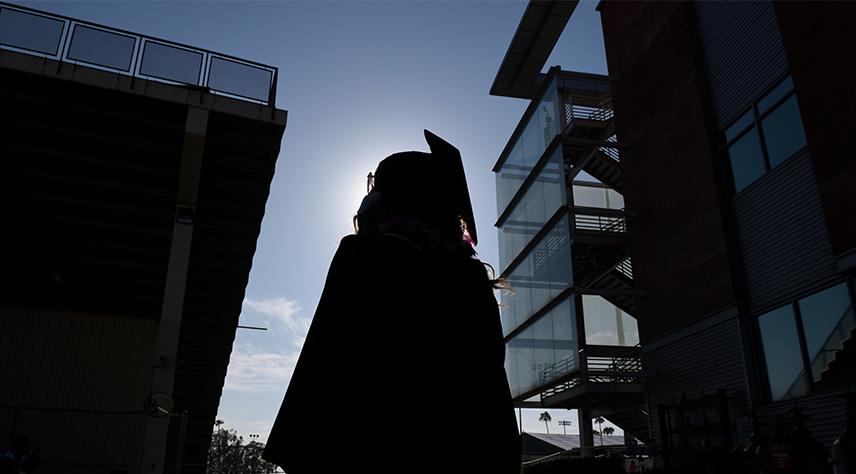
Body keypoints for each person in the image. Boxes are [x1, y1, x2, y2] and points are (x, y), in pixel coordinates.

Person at [262, 130, 521, 473]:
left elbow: (324, 359)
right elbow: (488, 392)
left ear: (393, 196)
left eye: (376, 186)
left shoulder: (365, 256)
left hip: (365, 450)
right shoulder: (470, 279)